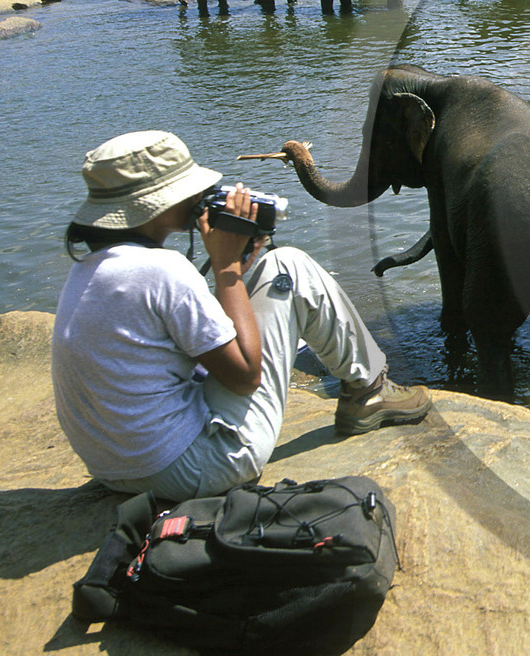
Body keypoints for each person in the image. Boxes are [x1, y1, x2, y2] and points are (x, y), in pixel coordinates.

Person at [52, 130, 430, 502]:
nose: (198, 199)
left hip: (114, 470)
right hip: (196, 468)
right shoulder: (162, 269)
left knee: (264, 274)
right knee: (288, 265)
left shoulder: (86, 269)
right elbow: (245, 376)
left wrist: (231, 271)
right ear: (157, 203)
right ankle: (368, 391)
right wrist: (227, 268)